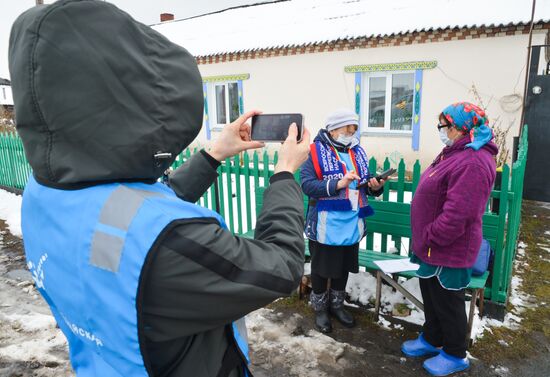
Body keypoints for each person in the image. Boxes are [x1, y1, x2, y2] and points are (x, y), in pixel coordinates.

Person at [9, 1, 310, 376]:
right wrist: (284, 174)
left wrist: (214, 155)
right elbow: (280, 267)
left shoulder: (47, 194)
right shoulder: (174, 245)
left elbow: (128, 220)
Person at [401, 102, 498, 376]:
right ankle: (433, 338)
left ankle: (455, 353)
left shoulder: (474, 161)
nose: (440, 130)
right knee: (431, 295)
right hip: (431, 246)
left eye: (443, 126)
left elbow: (460, 213)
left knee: (448, 301)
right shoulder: (454, 153)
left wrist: (431, 236)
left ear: (459, 127)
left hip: (447, 247)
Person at [300, 109, 385, 333]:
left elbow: (363, 182)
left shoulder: (357, 152)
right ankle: (320, 308)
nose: (351, 134)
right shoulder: (315, 152)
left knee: (343, 266)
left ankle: (337, 305)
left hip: (352, 222)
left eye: (354, 130)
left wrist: (375, 186)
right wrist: (338, 183)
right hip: (325, 223)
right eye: (347, 130)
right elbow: (307, 185)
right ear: (332, 129)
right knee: (321, 268)